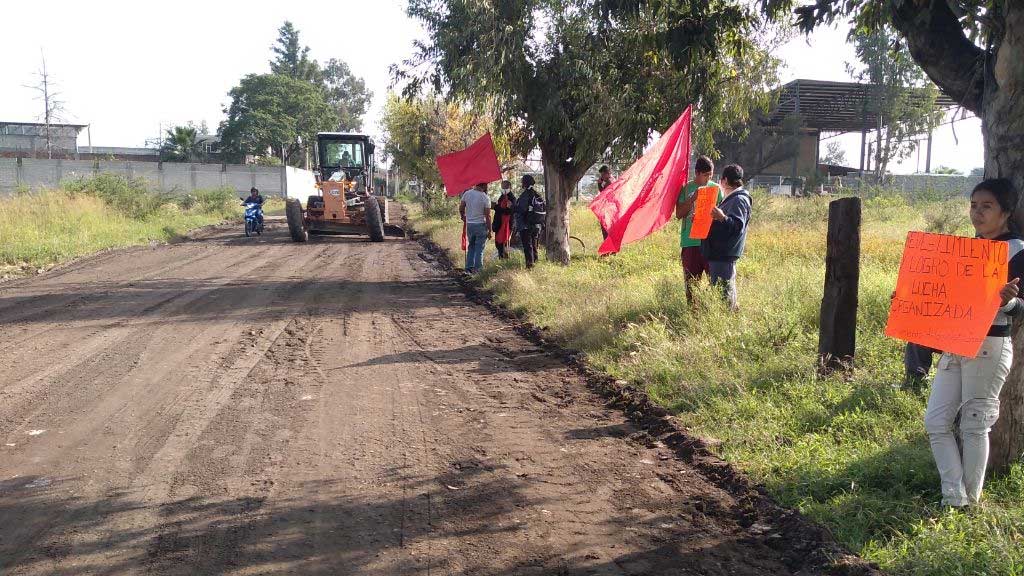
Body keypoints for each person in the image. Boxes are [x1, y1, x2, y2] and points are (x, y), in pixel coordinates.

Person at [924, 178, 1024, 508]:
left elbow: (1019, 308)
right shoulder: (966, 250)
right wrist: (914, 298)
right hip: (956, 344)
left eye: (986, 206)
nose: (977, 213)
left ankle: (964, 502)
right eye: (973, 205)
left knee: (974, 426)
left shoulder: (1018, 251)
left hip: (990, 346)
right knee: (936, 421)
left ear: (1006, 212)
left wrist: (1007, 301)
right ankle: (955, 495)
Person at [700, 164, 751, 311]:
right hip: (719, 254)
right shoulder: (733, 198)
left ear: (725, 180)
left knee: (724, 296)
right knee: (723, 293)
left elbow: (737, 226)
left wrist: (722, 217)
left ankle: (727, 321)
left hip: (724, 255)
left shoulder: (739, 199)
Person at [675, 156, 723, 305]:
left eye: (711, 174)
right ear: (697, 173)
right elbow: (679, 214)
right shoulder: (686, 188)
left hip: (710, 242)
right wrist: (692, 199)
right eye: (705, 175)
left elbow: (721, 213)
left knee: (715, 283)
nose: (708, 178)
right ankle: (692, 313)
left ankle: (711, 311)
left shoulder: (716, 189)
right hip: (690, 242)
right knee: (691, 285)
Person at [459, 183, 492, 274]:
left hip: (470, 225)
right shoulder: (485, 197)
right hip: (481, 225)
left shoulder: (467, 193)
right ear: (484, 186)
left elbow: (461, 207)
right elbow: (488, 216)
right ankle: (478, 270)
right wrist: (490, 230)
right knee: (479, 248)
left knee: (471, 246)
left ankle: (469, 268)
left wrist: (463, 216)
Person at [515, 174, 544, 268]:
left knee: (527, 246)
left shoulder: (525, 195)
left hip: (526, 224)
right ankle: (535, 262)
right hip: (536, 224)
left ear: (524, 183)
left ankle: (529, 265)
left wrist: (512, 207)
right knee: (534, 244)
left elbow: (521, 209)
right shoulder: (536, 194)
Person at [492, 180, 517, 259]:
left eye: (506, 187)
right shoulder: (501, 196)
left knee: (503, 243)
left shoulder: (512, 198)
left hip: (506, 224)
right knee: (498, 243)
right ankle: (502, 258)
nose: (504, 189)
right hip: (499, 223)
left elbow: (509, 211)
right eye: (503, 187)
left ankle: (504, 259)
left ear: (510, 187)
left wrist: (496, 207)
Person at [597, 165, 613, 239]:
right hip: (609, 206)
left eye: (603, 174)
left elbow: (603, 193)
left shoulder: (609, 182)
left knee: (606, 226)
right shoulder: (609, 181)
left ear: (607, 173)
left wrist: (599, 184)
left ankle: (608, 244)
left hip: (609, 208)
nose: (602, 176)